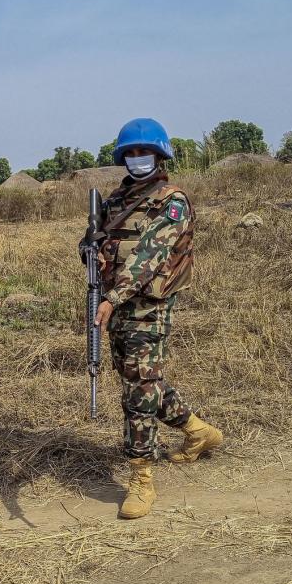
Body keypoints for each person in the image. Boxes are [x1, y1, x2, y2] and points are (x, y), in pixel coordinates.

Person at [86, 118, 223, 519]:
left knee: (139, 389)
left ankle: (141, 478)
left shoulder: (172, 201)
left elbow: (148, 257)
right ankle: (199, 432)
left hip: (147, 306)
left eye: (144, 151)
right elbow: (105, 245)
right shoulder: (116, 200)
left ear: (160, 155)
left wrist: (112, 296)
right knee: (141, 382)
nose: (136, 158)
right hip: (113, 304)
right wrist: (92, 252)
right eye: (129, 152)